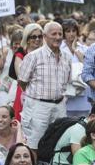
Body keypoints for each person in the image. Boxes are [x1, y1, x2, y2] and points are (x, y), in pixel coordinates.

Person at [18, 22, 71, 151]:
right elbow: (22, 81)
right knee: (33, 144)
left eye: (60, 34)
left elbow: (68, 82)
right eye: (54, 34)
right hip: (38, 106)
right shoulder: (33, 57)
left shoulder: (67, 57)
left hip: (59, 106)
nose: (58, 37)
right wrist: (37, 96)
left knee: (59, 144)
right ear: (45, 36)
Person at [10, 23, 44, 121]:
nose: (37, 39)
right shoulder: (20, 54)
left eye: (40, 36)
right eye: (33, 37)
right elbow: (21, 78)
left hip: (43, 95)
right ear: (27, 39)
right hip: (24, 93)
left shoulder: (46, 53)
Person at [61, 19, 91, 117]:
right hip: (66, 92)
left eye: (74, 31)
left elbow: (87, 66)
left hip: (82, 91)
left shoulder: (84, 48)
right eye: (68, 31)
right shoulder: (59, 48)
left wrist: (75, 50)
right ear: (63, 33)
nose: (71, 34)